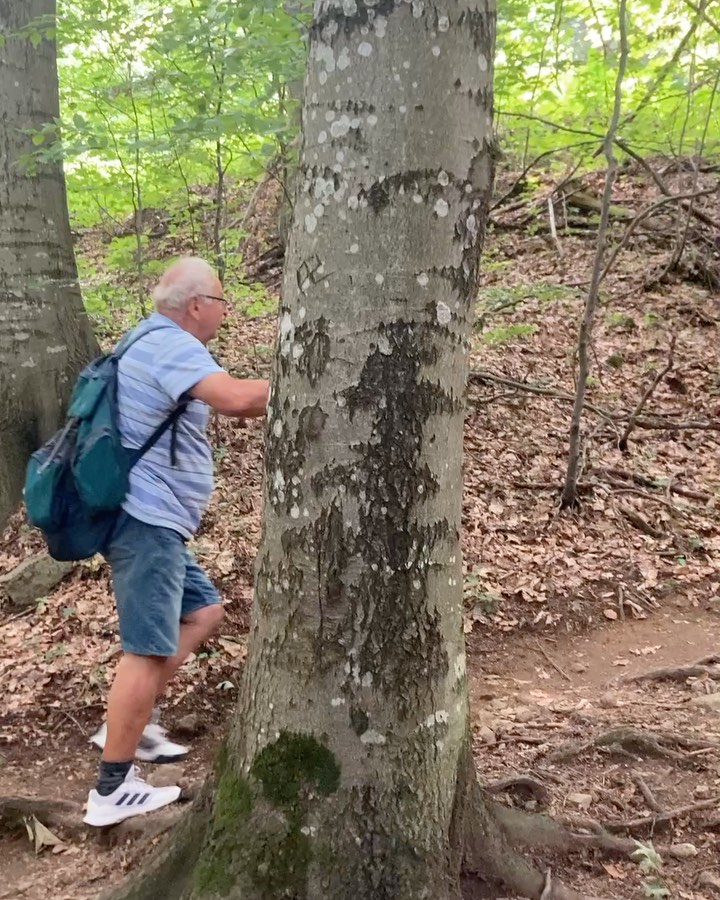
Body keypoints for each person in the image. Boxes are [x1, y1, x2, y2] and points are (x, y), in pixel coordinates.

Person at [83, 257, 269, 827]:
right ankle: (110, 791)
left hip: (150, 520)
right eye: (220, 300)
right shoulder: (170, 344)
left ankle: (128, 727)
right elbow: (236, 399)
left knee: (205, 612)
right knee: (147, 649)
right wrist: (308, 376)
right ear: (195, 305)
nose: (223, 311)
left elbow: (224, 401)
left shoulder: (147, 339)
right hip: (147, 520)